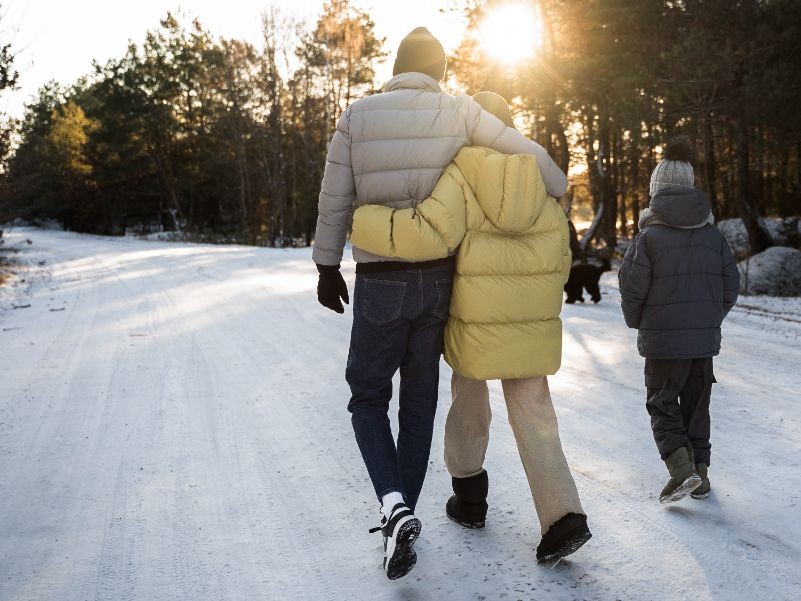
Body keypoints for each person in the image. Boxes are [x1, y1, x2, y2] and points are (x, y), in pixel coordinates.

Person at [313, 29, 568, 580]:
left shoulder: (358, 115)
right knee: (419, 405)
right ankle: (401, 514)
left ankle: (393, 506)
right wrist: (557, 183)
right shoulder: (457, 111)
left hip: (380, 278)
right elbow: (524, 153)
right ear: (440, 72)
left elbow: (335, 194)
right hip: (438, 282)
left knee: (366, 397)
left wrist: (326, 263)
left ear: (396, 67)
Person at [351, 92, 591, 565]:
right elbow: (562, 256)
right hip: (529, 323)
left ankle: (469, 497)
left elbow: (429, 233)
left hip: (473, 321)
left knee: (468, 402)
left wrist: (363, 221)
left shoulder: (463, 172)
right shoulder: (541, 179)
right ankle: (563, 516)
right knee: (535, 414)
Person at [618, 137, 740, 504]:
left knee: (661, 401)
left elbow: (631, 288)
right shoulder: (713, 235)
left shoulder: (649, 236)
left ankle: (681, 470)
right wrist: (707, 319)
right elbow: (730, 285)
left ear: (656, 191)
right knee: (696, 404)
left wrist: (641, 322)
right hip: (702, 343)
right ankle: (701, 475)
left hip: (663, 343)